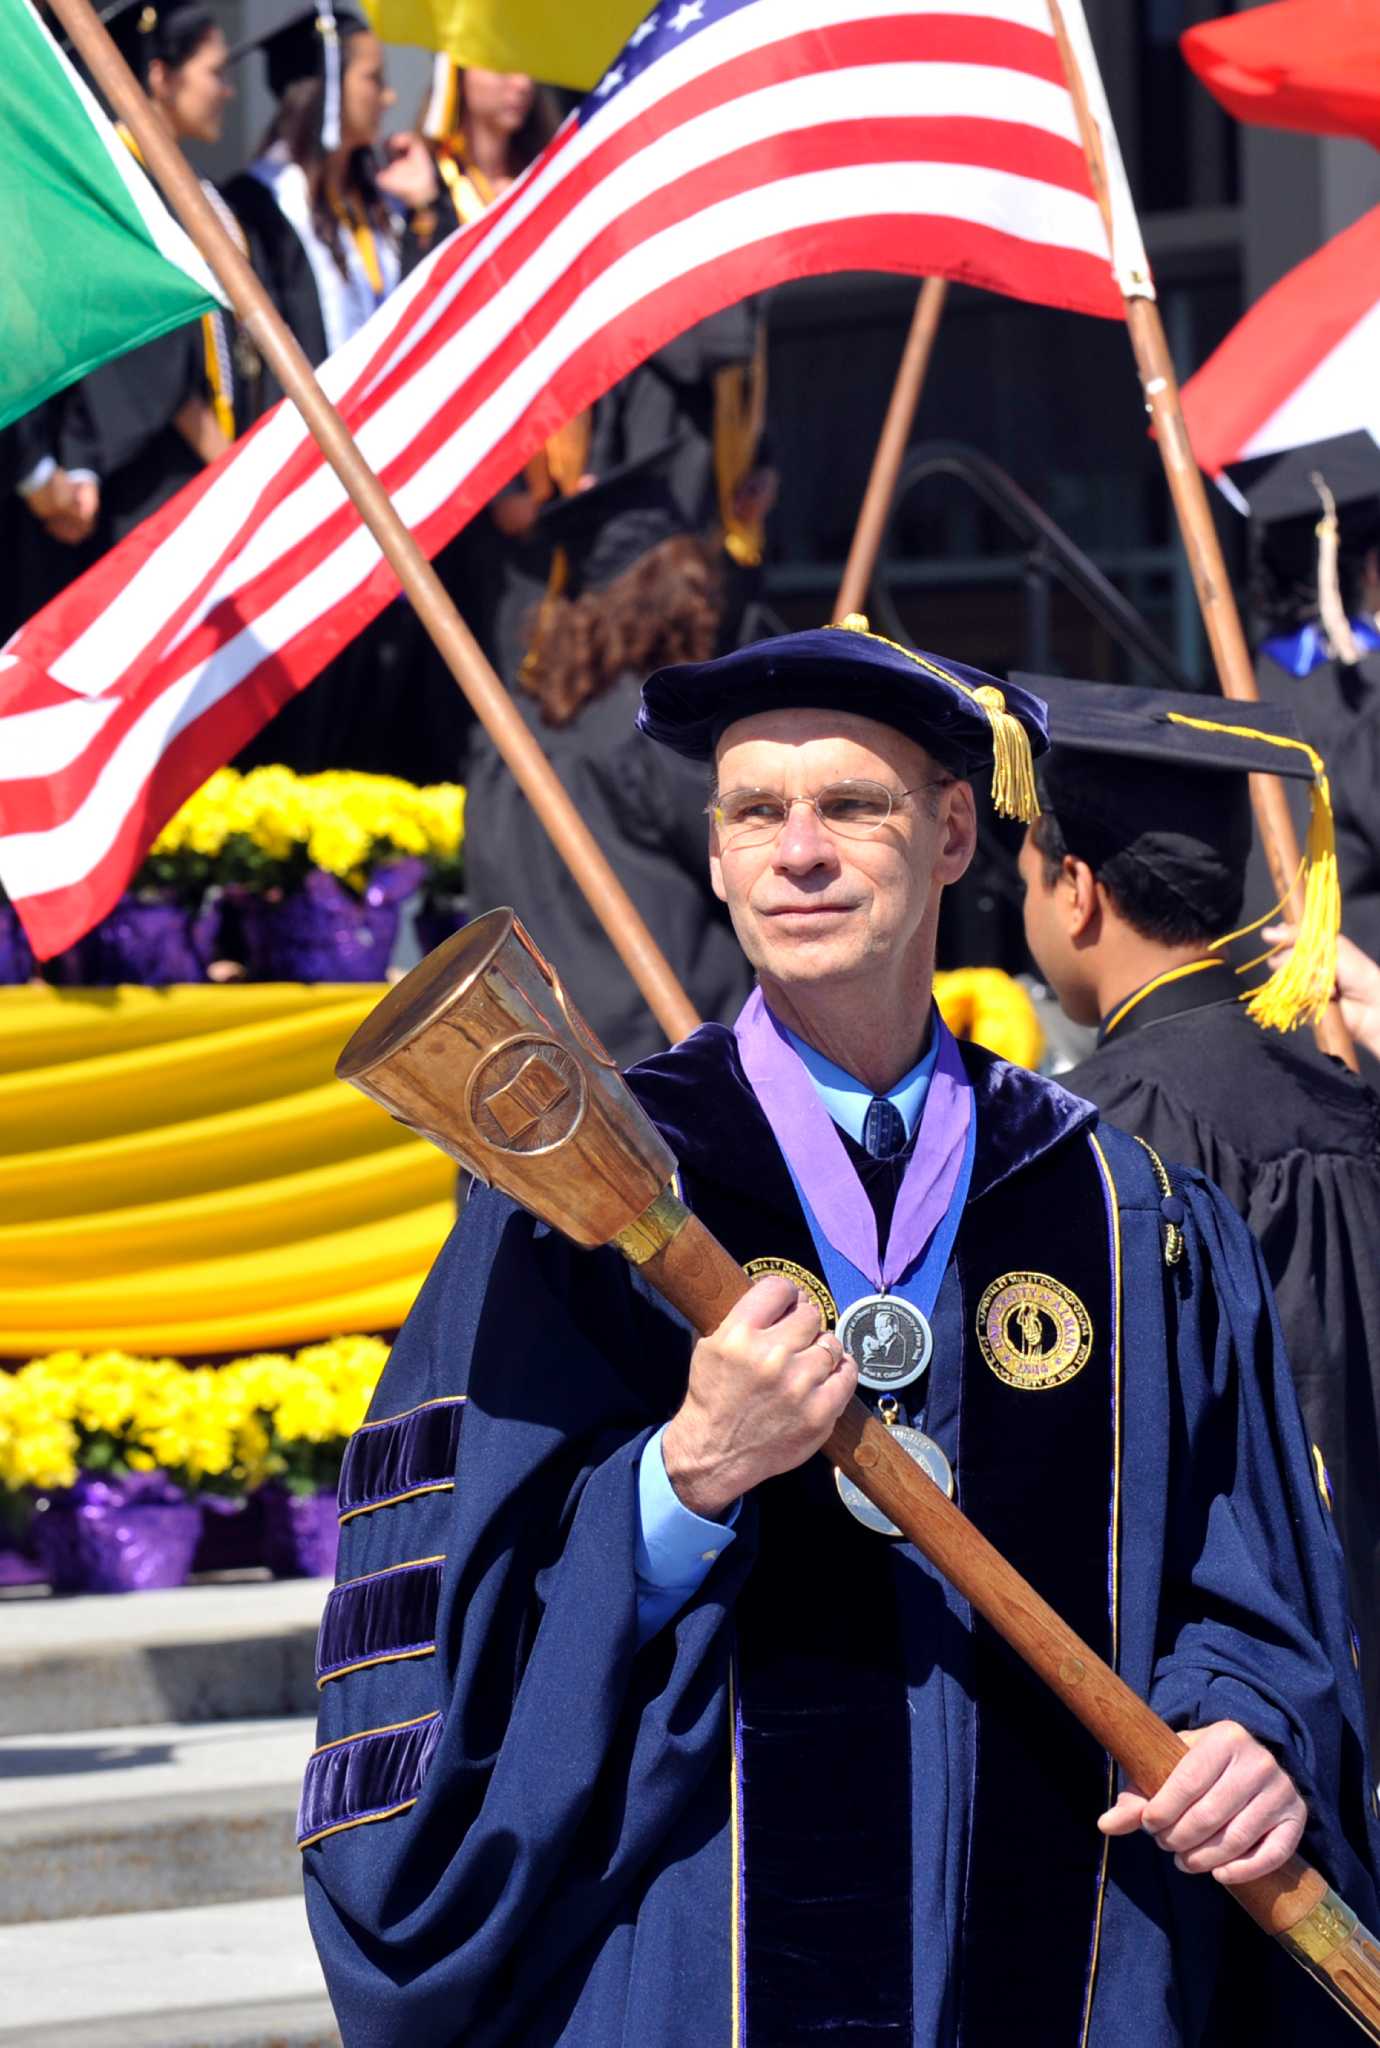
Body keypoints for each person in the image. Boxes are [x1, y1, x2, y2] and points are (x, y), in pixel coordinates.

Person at [301, 622, 1377, 2045]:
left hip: (1081, 1948)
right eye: (755, 812)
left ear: (948, 835)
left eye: (850, 807)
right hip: (702, 1948)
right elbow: (446, 1595)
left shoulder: (1120, 1200)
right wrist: (679, 1479)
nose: (797, 851)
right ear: (716, 851)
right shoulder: (589, 1192)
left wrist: (1250, 1727)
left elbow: (1247, 1575)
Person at [1015, 673, 1380, 1761]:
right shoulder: (1346, 1095)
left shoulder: (1100, 1130)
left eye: (1027, 882)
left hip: (1240, 1698)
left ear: (1074, 889)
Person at [462, 450, 754, 1065]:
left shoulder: (509, 738)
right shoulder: (654, 735)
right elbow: (748, 866)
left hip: (538, 1064)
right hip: (666, 1063)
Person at [224, 4, 454, 777]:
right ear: (320, 87)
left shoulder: (378, 210)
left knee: (383, 713)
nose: (387, 98)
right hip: (300, 521)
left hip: (385, 511)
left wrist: (427, 212)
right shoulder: (253, 213)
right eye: (371, 80)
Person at [54, 2, 239, 552]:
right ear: (160, 77)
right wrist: (237, 466)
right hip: (160, 494)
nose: (228, 90)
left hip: (210, 477)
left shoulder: (184, 184)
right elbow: (150, 361)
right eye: (215, 72)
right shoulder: (122, 190)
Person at [1241, 431, 1380, 967]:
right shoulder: (1362, 702)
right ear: (1369, 568)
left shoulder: (1237, 684)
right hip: (1358, 1014)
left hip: (1259, 1009)